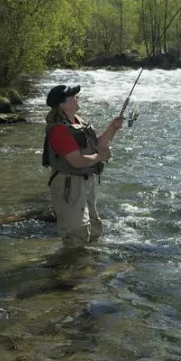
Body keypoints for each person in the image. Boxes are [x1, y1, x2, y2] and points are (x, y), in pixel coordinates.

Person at [43, 84, 124, 249]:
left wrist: (113, 128)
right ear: (63, 104)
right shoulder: (59, 130)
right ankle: (71, 263)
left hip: (85, 181)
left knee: (93, 228)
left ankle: (88, 261)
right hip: (68, 184)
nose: (77, 97)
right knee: (76, 233)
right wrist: (101, 157)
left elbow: (97, 144)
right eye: (73, 96)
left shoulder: (78, 121)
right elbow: (77, 161)